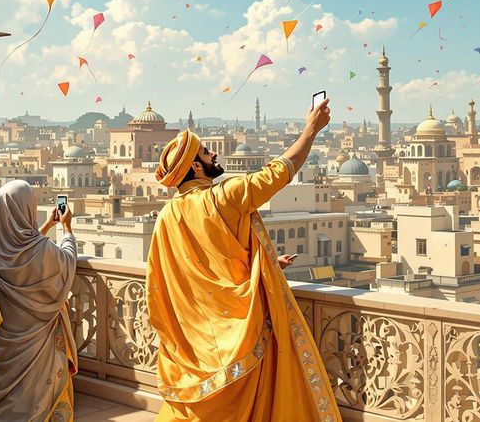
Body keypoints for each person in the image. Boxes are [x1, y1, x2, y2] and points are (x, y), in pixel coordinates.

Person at [145, 97, 341, 422]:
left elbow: (177, 275)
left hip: (194, 340)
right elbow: (280, 172)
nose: (213, 155)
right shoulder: (224, 197)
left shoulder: (167, 215)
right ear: (196, 167)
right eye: (206, 153)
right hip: (240, 327)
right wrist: (310, 131)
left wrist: (266, 265)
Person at [0, 180, 79, 422]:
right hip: (37, 338)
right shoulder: (42, 250)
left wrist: (46, 226)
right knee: (35, 395)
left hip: (2, 336)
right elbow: (66, 262)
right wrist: (66, 229)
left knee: (6, 397)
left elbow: (20, 248)